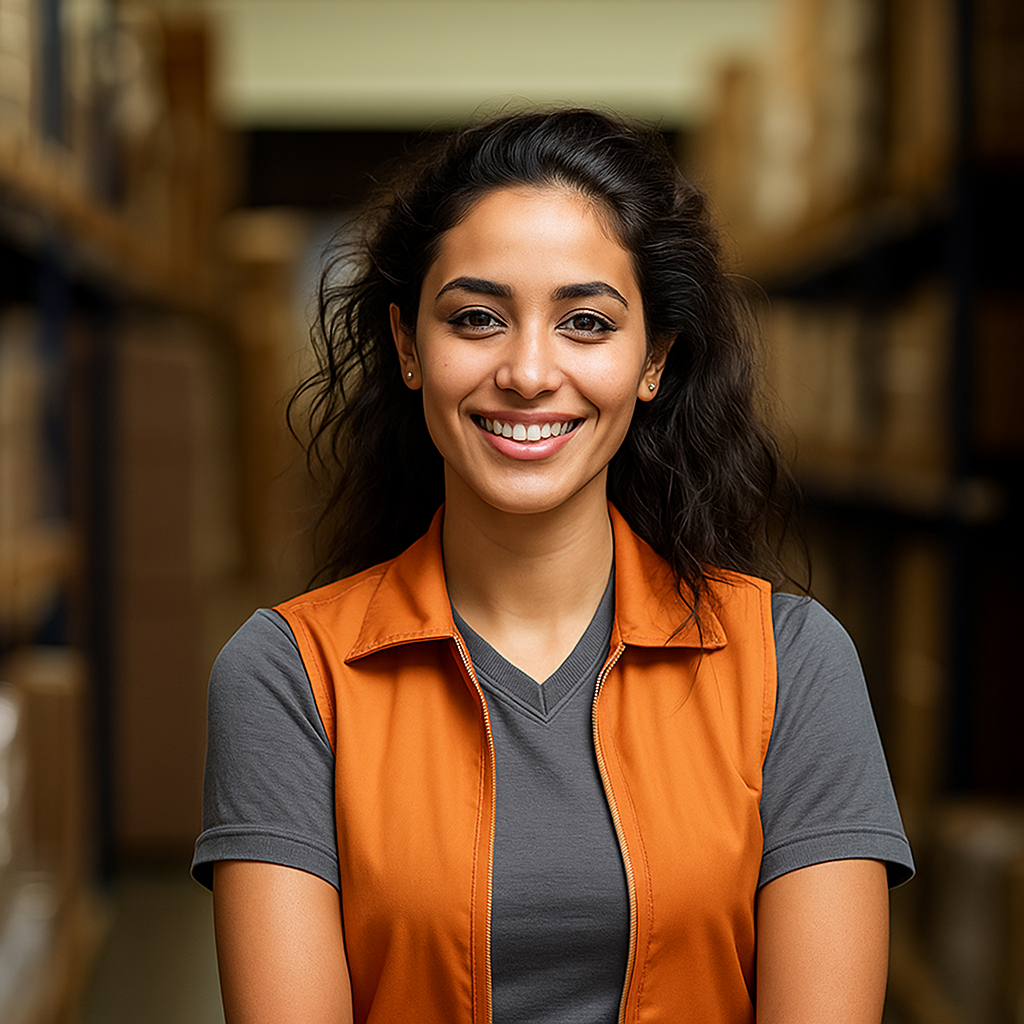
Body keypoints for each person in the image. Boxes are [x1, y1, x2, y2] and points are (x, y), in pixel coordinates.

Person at [191, 108, 914, 1024]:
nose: (530, 371)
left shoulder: (791, 666)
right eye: (479, 318)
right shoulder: (291, 677)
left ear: (653, 359)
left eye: (585, 322)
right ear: (409, 347)